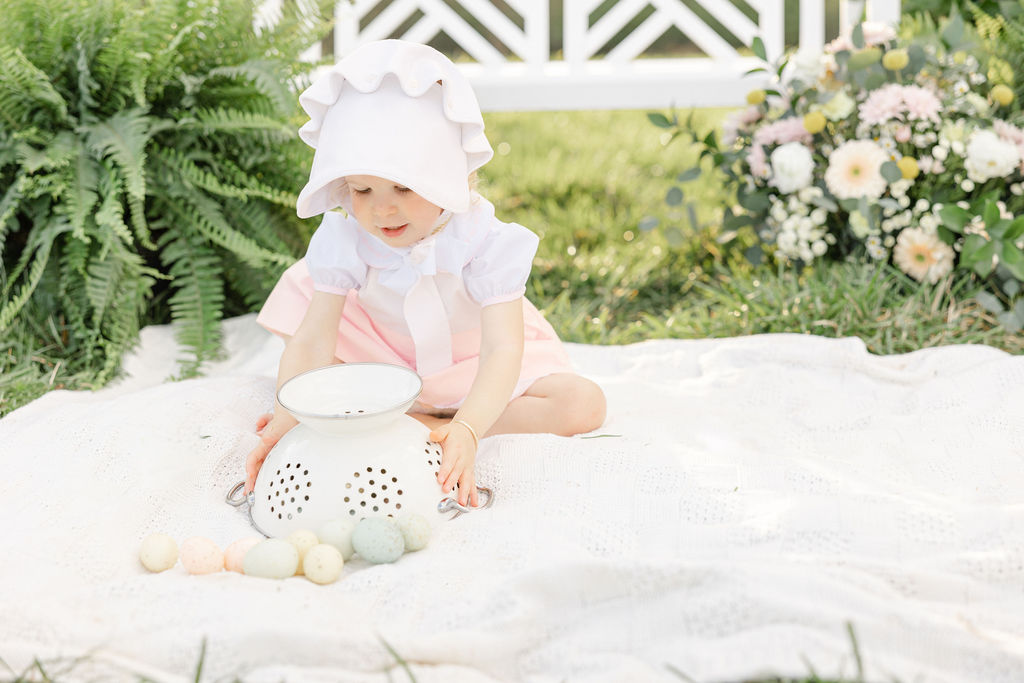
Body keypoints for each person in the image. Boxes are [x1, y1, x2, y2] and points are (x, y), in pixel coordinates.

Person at [244, 39, 606, 506]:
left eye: (403, 186)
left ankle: (442, 425)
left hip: (471, 358)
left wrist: (471, 430)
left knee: (583, 404)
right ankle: (406, 416)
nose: (383, 209)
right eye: (361, 189)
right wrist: (286, 414)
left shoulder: (486, 242)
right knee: (308, 365)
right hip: (378, 354)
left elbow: (502, 348)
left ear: (448, 175)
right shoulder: (347, 236)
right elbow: (313, 341)